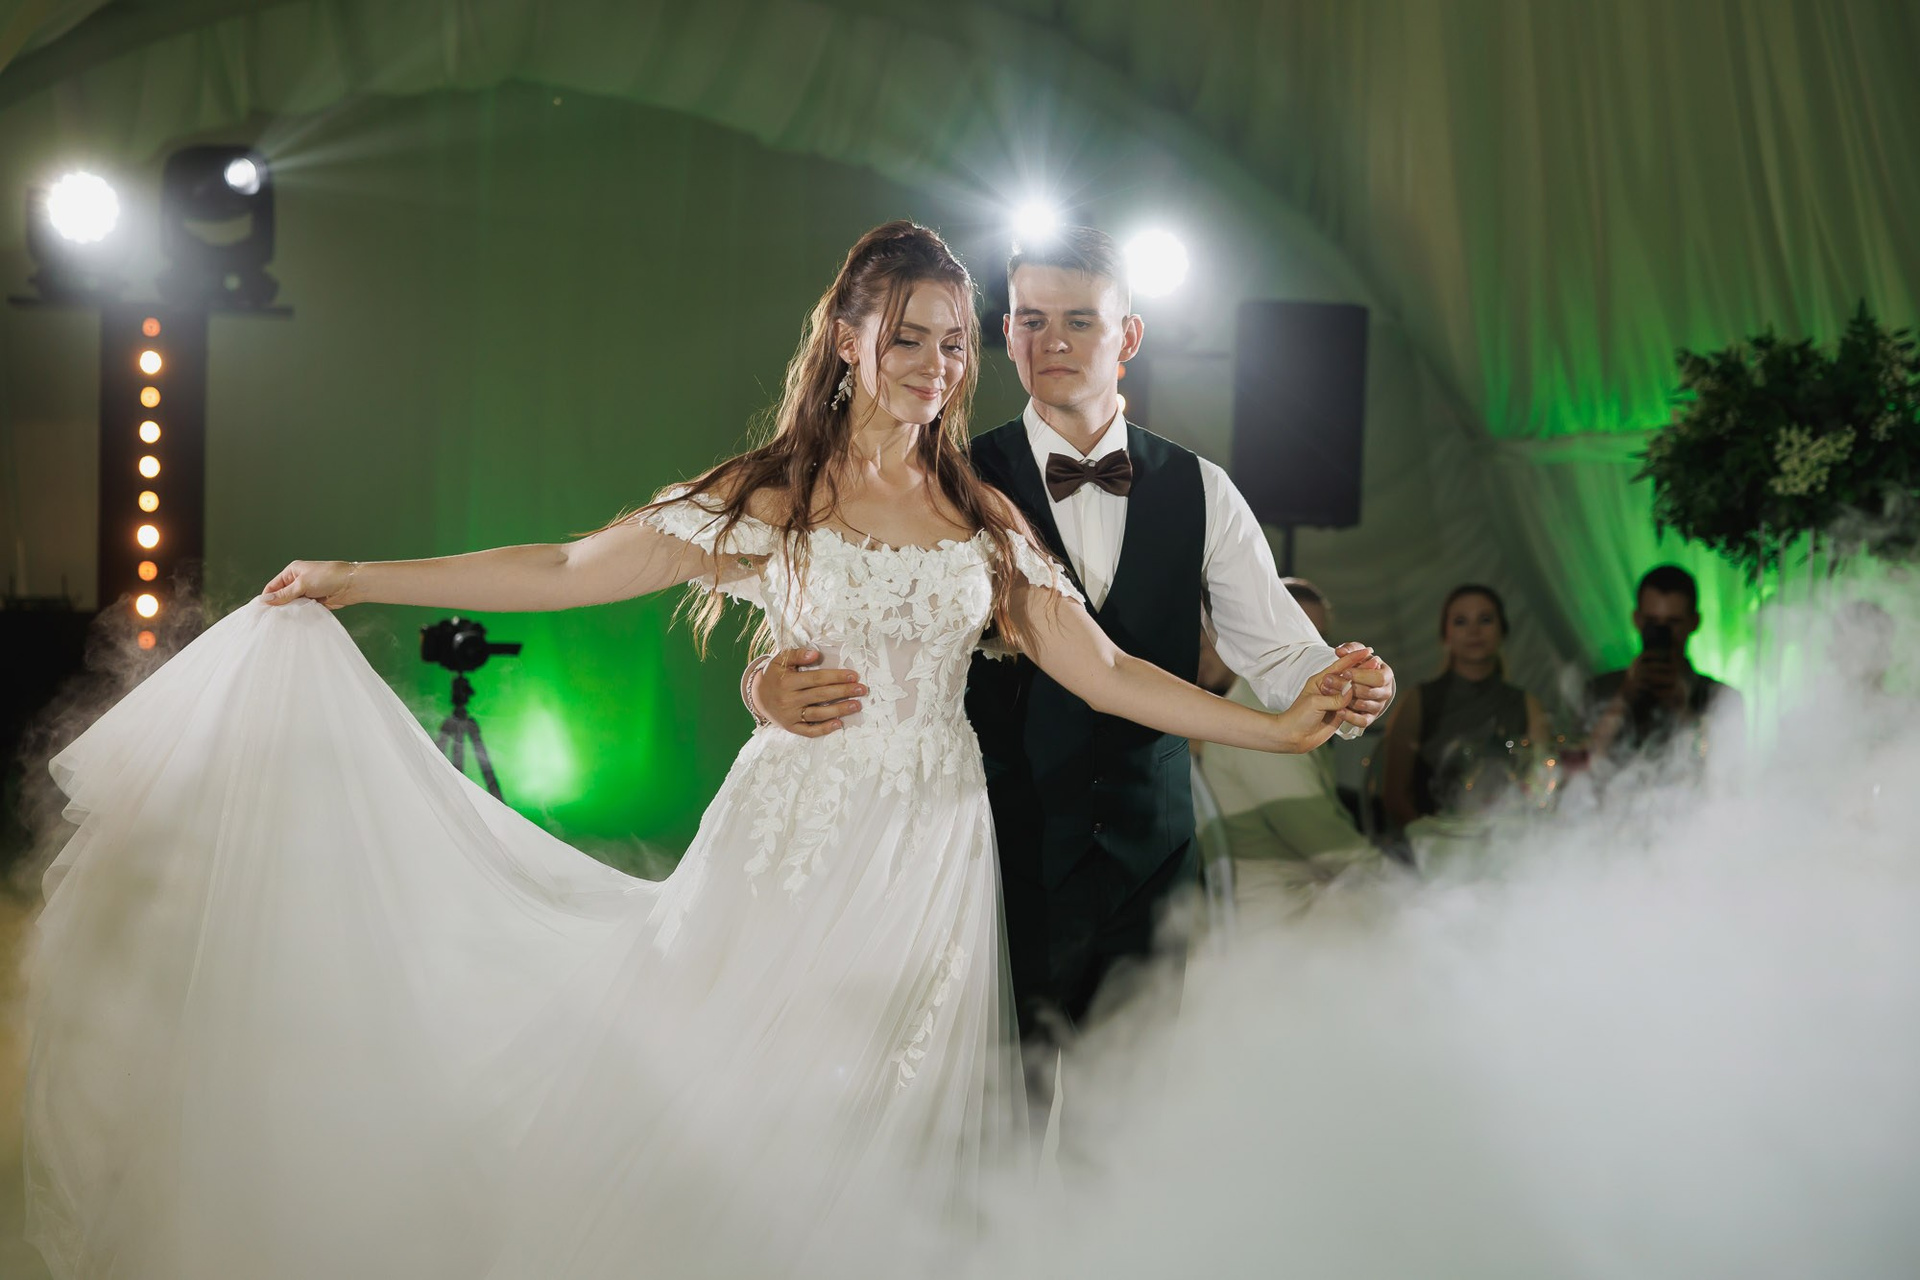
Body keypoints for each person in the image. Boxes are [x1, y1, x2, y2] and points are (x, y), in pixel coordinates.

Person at [22, 221, 1369, 1280]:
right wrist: (361, 574)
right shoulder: (772, 491)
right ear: (848, 337)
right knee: (754, 1108)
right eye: (910, 336)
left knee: (898, 1128)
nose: (938, 365)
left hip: (939, 853)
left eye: (958, 343)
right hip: (797, 843)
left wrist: (1275, 723)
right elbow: (570, 565)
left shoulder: (984, 511)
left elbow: (1109, 670)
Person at [747, 227, 1397, 1121]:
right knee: (981, 1123)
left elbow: (1281, 652)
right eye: (1032, 320)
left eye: (1080, 320)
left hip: (1147, 862)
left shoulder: (1201, 489)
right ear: (1006, 336)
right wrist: (762, 686)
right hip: (985, 855)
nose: (1053, 340)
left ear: (1129, 336)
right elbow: (839, 611)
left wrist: (1345, 685)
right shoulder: (944, 483)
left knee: (1126, 1128)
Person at [1194, 579, 1379, 924]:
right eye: (1299, 638)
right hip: (1288, 919)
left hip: (1295, 903)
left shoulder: (1261, 707)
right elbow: (1325, 845)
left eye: (1321, 643)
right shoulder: (1257, 712)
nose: (1315, 656)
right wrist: (1407, 885)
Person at [1380, 583, 1550, 829]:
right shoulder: (1418, 701)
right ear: (1446, 635)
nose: (1474, 631)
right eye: (1461, 621)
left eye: (1485, 619)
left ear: (1502, 630)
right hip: (1434, 840)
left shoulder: (1527, 704)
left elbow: (1542, 785)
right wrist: (1432, 840)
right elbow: (1395, 796)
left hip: (1509, 838)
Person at [1587, 564, 1742, 762]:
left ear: (1694, 622)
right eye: (1652, 622)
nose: (1662, 632)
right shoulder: (1599, 691)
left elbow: (1727, 768)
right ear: (1637, 620)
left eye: (1673, 622)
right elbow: (1578, 763)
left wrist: (1683, 711)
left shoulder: (1721, 698)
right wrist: (1622, 699)